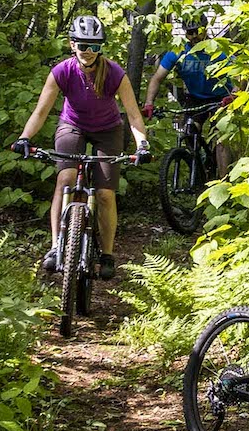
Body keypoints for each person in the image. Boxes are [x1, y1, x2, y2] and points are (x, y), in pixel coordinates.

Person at [12, 15, 150, 278]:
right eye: (83, 45)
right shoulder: (62, 71)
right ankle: (55, 247)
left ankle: (107, 254)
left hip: (108, 130)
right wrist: (24, 138)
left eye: (95, 46)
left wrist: (142, 144)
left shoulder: (114, 74)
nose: (88, 52)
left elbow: (133, 114)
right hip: (72, 125)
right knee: (64, 180)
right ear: (71, 44)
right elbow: (41, 111)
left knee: (105, 193)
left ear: (101, 49)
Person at [143, 13, 236, 178]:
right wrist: (149, 102)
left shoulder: (219, 49)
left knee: (222, 141)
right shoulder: (178, 51)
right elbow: (157, 78)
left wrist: (234, 95)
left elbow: (239, 76)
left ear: (205, 30)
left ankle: (223, 182)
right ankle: (199, 171)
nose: (193, 36)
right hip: (195, 98)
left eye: (196, 31)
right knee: (189, 133)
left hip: (221, 98)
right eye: (189, 32)